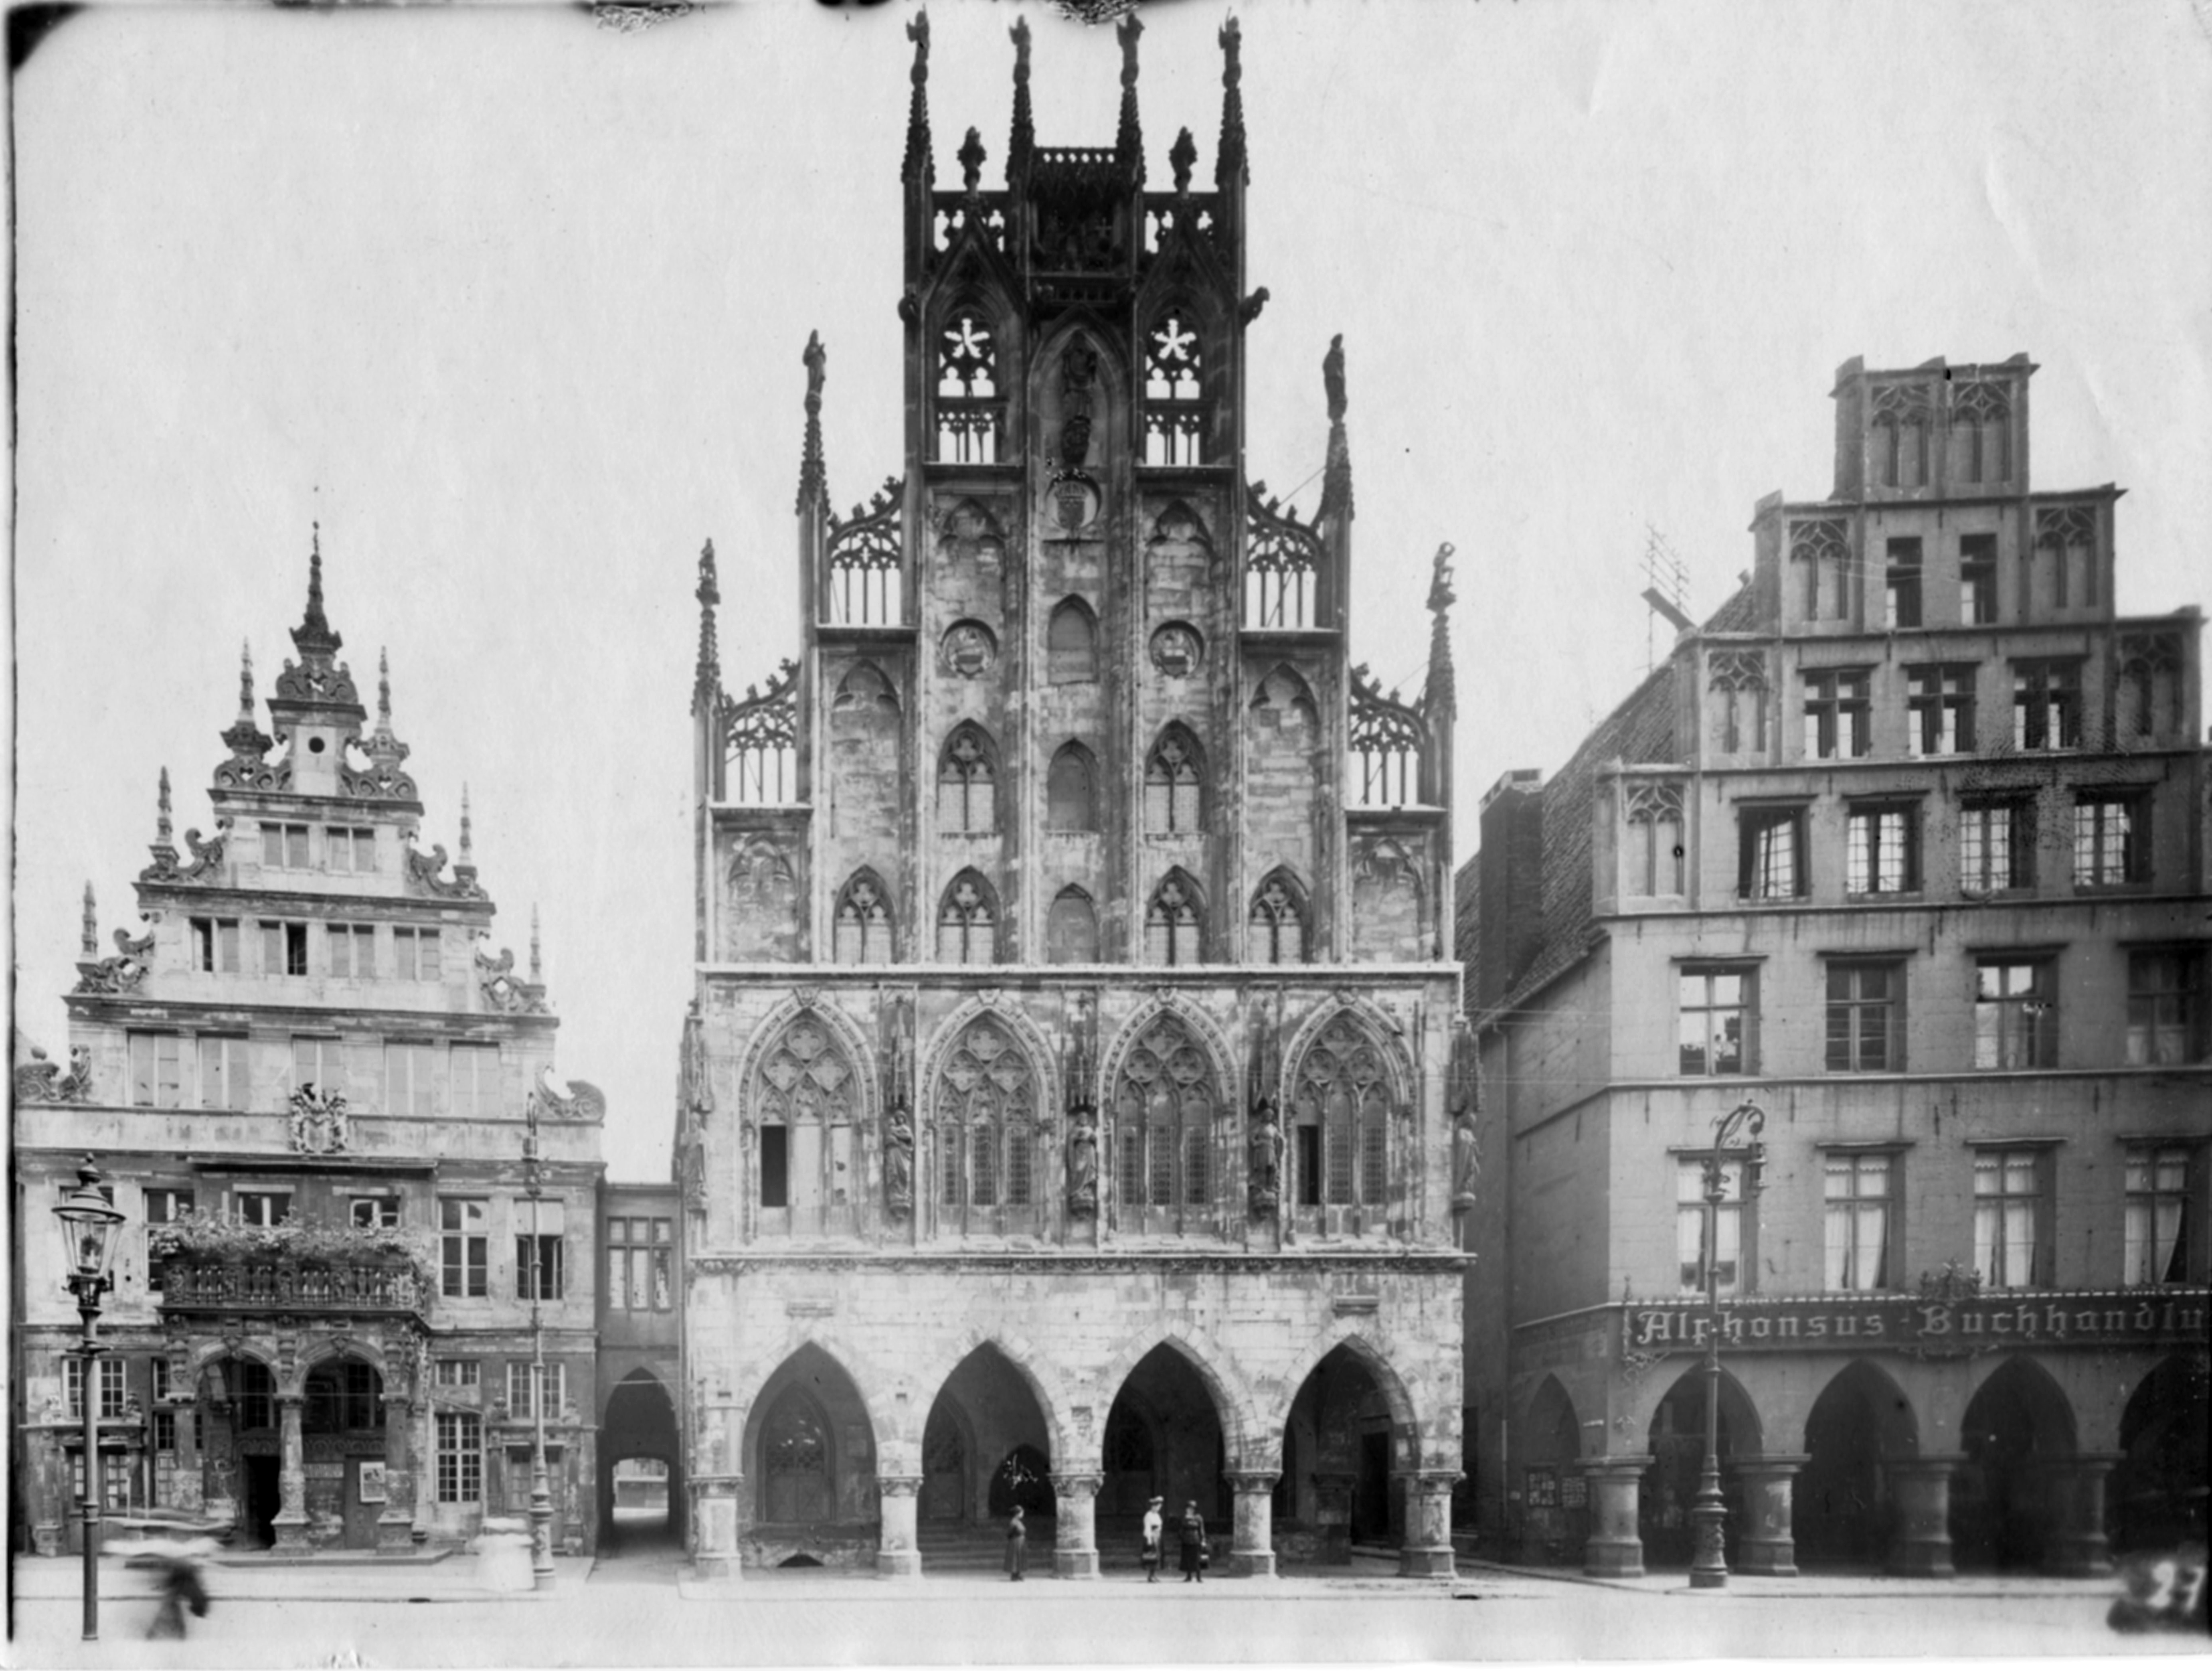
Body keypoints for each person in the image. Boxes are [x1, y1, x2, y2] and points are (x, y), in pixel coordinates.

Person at [1178, 1500, 1207, 1583]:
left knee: (1197, 1559)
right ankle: (1189, 1577)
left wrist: (1203, 1540)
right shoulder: (1184, 1518)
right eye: (1189, 1508)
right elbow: (1181, 1529)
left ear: (1195, 1510)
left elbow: (1201, 1530)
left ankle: (1199, 1577)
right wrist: (1181, 1537)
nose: (1190, 1510)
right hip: (1186, 1540)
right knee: (1187, 1559)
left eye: (1192, 1509)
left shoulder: (1198, 1518)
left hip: (1196, 1539)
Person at [1140, 1495, 1164, 1583]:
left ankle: (1154, 1575)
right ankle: (1150, 1576)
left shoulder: (1157, 1515)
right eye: (1157, 1507)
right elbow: (1147, 1528)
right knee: (1151, 1556)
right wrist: (1149, 1539)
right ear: (1153, 1506)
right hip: (1152, 1537)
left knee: (1157, 1556)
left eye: (1159, 1507)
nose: (1158, 1508)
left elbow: (1160, 1525)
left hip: (1158, 1536)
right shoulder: (1148, 1515)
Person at [1005, 1503, 1026, 1581]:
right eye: (1021, 1513)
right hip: (1015, 1541)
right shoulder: (1013, 1522)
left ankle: (1018, 1574)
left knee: (1019, 1558)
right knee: (1015, 1558)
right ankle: (1014, 1575)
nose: (1022, 1514)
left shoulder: (1018, 1522)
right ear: (1018, 1514)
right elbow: (1010, 1533)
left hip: (1020, 1542)